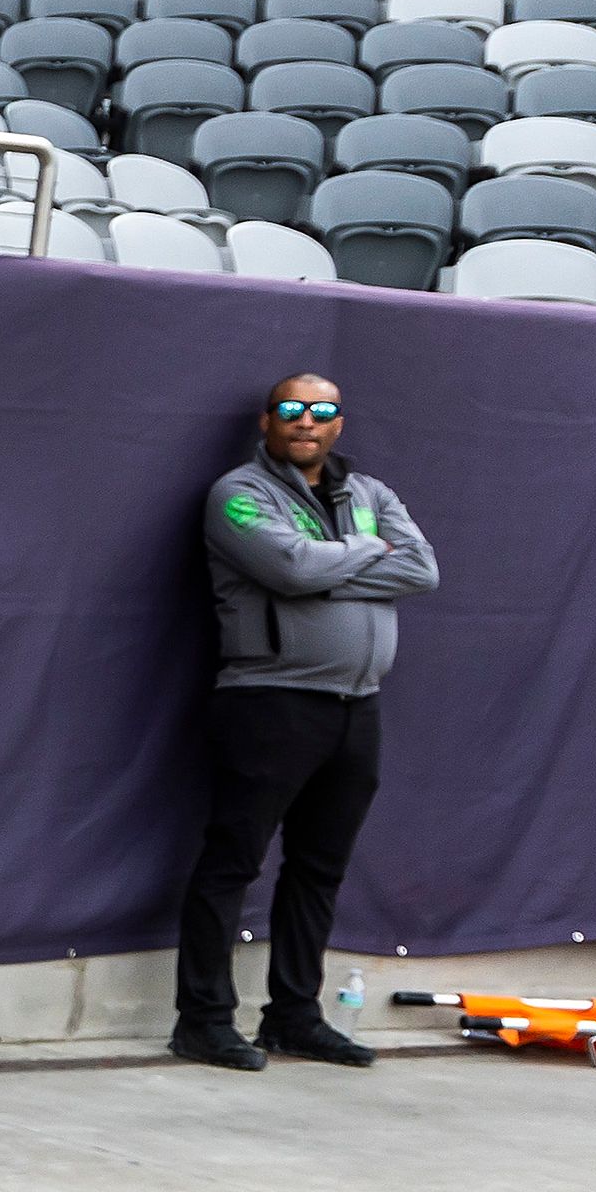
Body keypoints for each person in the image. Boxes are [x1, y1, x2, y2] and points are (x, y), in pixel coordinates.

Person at [170, 373, 439, 1073]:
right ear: (268, 421)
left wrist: (329, 568)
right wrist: (367, 553)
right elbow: (289, 569)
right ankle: (202, 1021)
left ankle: (293, 1017)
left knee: (319, 870)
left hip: (359, 707)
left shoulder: (371, 494)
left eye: (322, 411)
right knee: (232, 862)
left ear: (339, 424)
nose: (306, 421)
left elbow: (422, 571)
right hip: (270, 702)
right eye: (292, 409)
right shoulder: (239, 495)